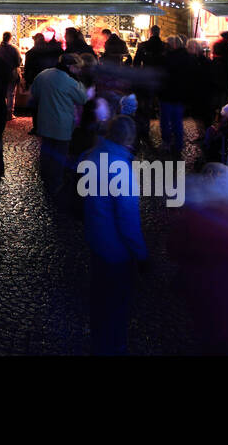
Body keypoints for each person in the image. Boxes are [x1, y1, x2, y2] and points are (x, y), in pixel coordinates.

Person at [81, 115, 148, 354]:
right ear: (129, 140)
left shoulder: (93, 155)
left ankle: (98, 338)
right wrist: (142, 255)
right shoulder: (122, 171)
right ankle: (113, 346)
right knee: (116, 304)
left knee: (99, 296)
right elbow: (128, 221)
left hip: (96, 240)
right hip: (116, 252)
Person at [29, 55, 87, 197]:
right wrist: (80, 82)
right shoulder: (70, 82)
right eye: (77, 68)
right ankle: (55, 183)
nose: (78, 71)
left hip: (44, 122)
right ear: (70, 67)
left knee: (46, 151)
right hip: (62, 125)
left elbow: (34, 94)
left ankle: (45, 178)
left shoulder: (43, 75)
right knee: (59, 155)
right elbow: (83, 98)